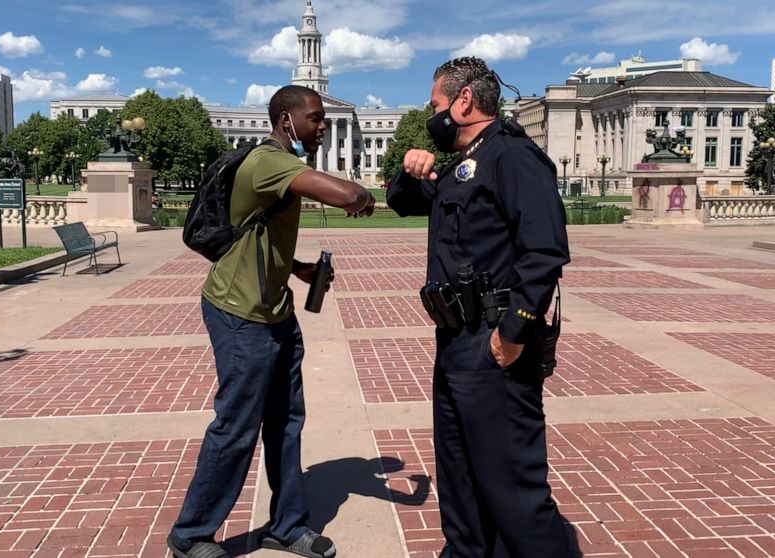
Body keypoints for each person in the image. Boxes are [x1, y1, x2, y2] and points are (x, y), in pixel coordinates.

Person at [168, 85, 376, 558]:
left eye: (325, 119)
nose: (322, 126)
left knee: (286, 422)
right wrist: (359, 195)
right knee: (237, 425)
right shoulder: (268, 161)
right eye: (316, 118)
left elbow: (261, 233)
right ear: (287, 121)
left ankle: (286, 525)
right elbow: (347, 192)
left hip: (274, 309)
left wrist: (298, 268)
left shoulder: (281, 161)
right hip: (240, 313)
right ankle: (191, 534)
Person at [387, 57, 574, 557]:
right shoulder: (463, 164)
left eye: (436, 105)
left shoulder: (512, 157)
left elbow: (544, 252)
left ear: (464, 100)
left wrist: (514, 333)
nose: (433, 115)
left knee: (512, 486)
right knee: (460, 478)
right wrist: (410, 169)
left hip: (495, 343)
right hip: (455, 341)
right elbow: (405, 202)